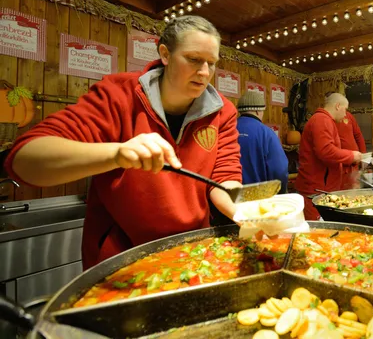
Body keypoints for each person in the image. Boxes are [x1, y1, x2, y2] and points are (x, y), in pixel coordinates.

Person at [3, 16, 242, 269]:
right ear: (165, 54)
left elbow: (225, 178)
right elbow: (24, 159)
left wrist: (248, 213)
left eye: (212, 64)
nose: (204, 72)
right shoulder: (118, 94)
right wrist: (118, 153)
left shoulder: (223, 111)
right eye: (193, 59)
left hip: (193, 251)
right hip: (122, 258)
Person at [295, 93, 362, 220]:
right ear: (337, 106)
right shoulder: (322, 120)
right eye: (345, 109)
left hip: (320, 187)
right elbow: (326, 151)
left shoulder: (325, 120)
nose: (345, 114)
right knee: (316, 229)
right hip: (315, 188)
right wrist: (351, 155)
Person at [236, 91, 288, 193]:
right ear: (257, 111)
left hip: (228, 199)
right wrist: (280, 193)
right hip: (258, 199)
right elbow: (279, 170)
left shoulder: (226, 129)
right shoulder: (267, 133)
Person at [326, 92, 367, 190]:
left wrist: (364, 156)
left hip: (354, 163)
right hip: (340, 163)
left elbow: (358, 135)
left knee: (354, 188)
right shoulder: (327, 120)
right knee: (342, 190)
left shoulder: (348, 116)